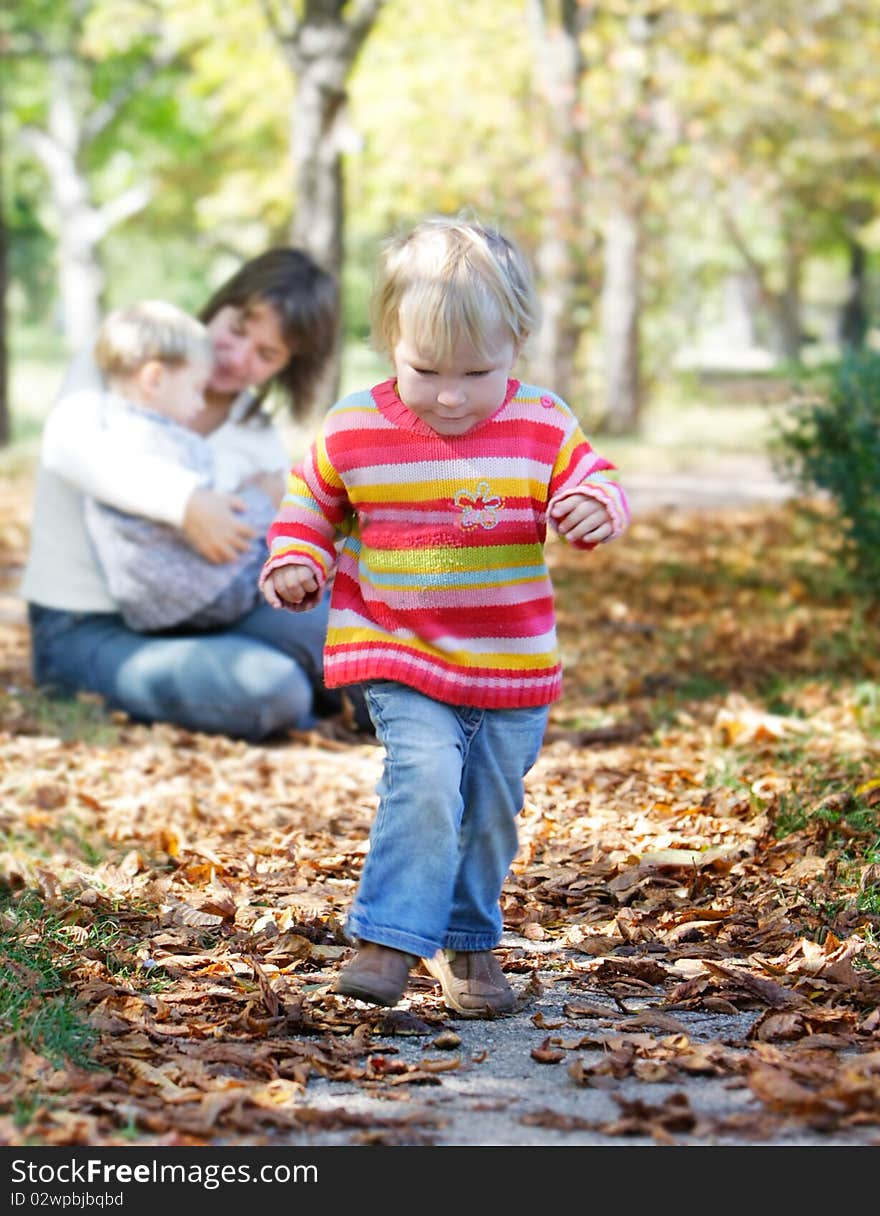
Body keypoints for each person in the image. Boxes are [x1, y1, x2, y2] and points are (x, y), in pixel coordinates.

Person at [260, 214, 630, 1016]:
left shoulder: (542, 422)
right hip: (399, 651)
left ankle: (468, 944)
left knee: (492, 808)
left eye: (478, 371)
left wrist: (592, 507)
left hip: (511, 666)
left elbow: (597, 479)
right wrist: (297, 559)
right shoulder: (355, 428)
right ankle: (388, 939)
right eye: (426, 370)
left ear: (518, 345)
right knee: (425, 780)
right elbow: (309, 506)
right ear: (390, 339)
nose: (452, 396)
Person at [20, 247, 360, 741]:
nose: (237, 356)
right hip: (84, 625)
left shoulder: (255, 435)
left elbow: (270, 541)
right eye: (238, 328)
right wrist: (187, 503)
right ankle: (291, 697)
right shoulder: (131, 354)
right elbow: (67, 445)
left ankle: (428, 732)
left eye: (266, 353)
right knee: (272, 689)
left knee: (348, 637)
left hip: (210, 613)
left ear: (286, 367)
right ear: (221, 304)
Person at [82, 299, 272, 633]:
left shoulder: (106, 428)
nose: (200, 404)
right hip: (202, 597)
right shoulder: (168, 442)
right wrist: (264, 497)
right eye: (197, 389)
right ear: (154, 379)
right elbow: (226, 533)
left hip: (146, 605)